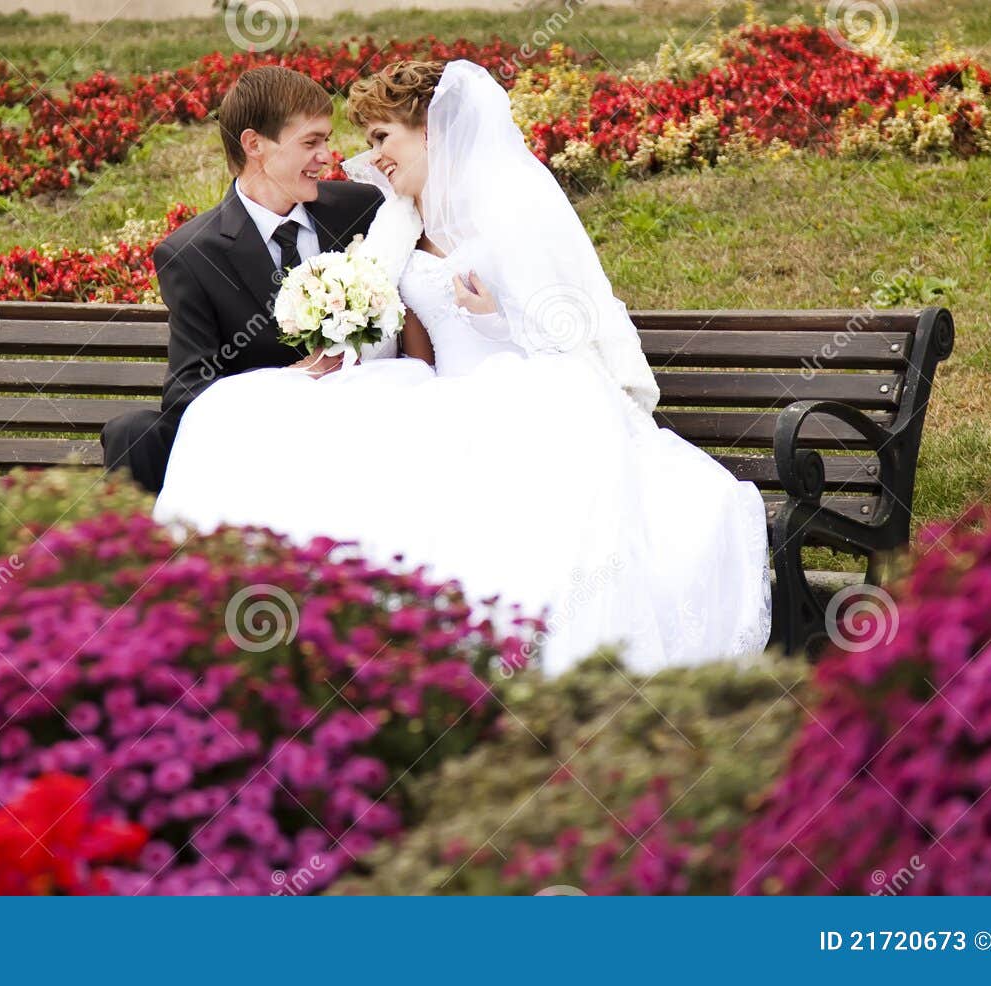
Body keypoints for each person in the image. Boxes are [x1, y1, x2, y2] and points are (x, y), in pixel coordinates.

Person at [152, 60, 772, 676]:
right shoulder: (397, 220)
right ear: (256, 147)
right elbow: (414, 342)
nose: (362, 159)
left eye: (379, 139)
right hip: (435, 391)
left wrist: (502, 317)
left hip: (524, 390)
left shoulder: (496, 208)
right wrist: (346, 347)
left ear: (431, 131)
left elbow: (573, 326)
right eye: (324, 141)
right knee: (310, 445)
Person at [99, 66, 387, 493]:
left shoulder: (362, 209)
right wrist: (292, 379)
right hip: (261, 446)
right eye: (311, 142)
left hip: (366, 426)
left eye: (325, 140)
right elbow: (187, 389)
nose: (327, 156)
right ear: (254, 144)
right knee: (134, 432)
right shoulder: (193, 253)